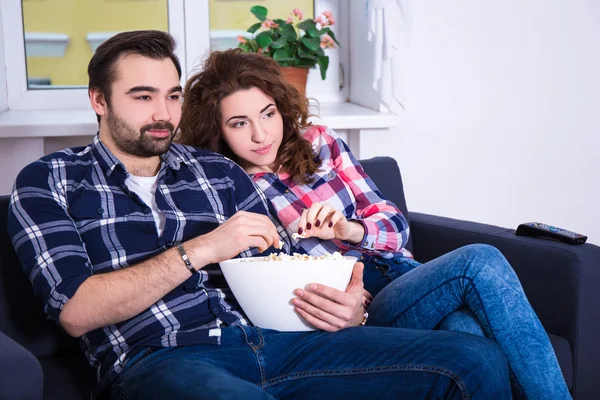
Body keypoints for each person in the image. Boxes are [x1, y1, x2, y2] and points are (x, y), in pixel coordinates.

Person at [7, 31, 512, 400]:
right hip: (159, 358)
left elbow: (289, 265)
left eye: (172, 95)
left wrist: (349, 302)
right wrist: (202, 248)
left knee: (473, 359)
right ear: (99, 100)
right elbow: (75, 311)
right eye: (142, 97)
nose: (163, 112)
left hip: (274, 342)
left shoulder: (218, 173)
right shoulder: (49, 180)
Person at [177, 48, 572, 400]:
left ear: (281, 108)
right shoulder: (227, 186)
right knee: (479, 261)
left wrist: (347, 229)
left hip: (409, 276)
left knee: (465, 329)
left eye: (268, 114)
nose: (262, 135)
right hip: (362, 300)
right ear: (218, 130)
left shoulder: (320, 143)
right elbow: (273, 280)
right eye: (240, 123)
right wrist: (353, 305)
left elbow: (394, 223)